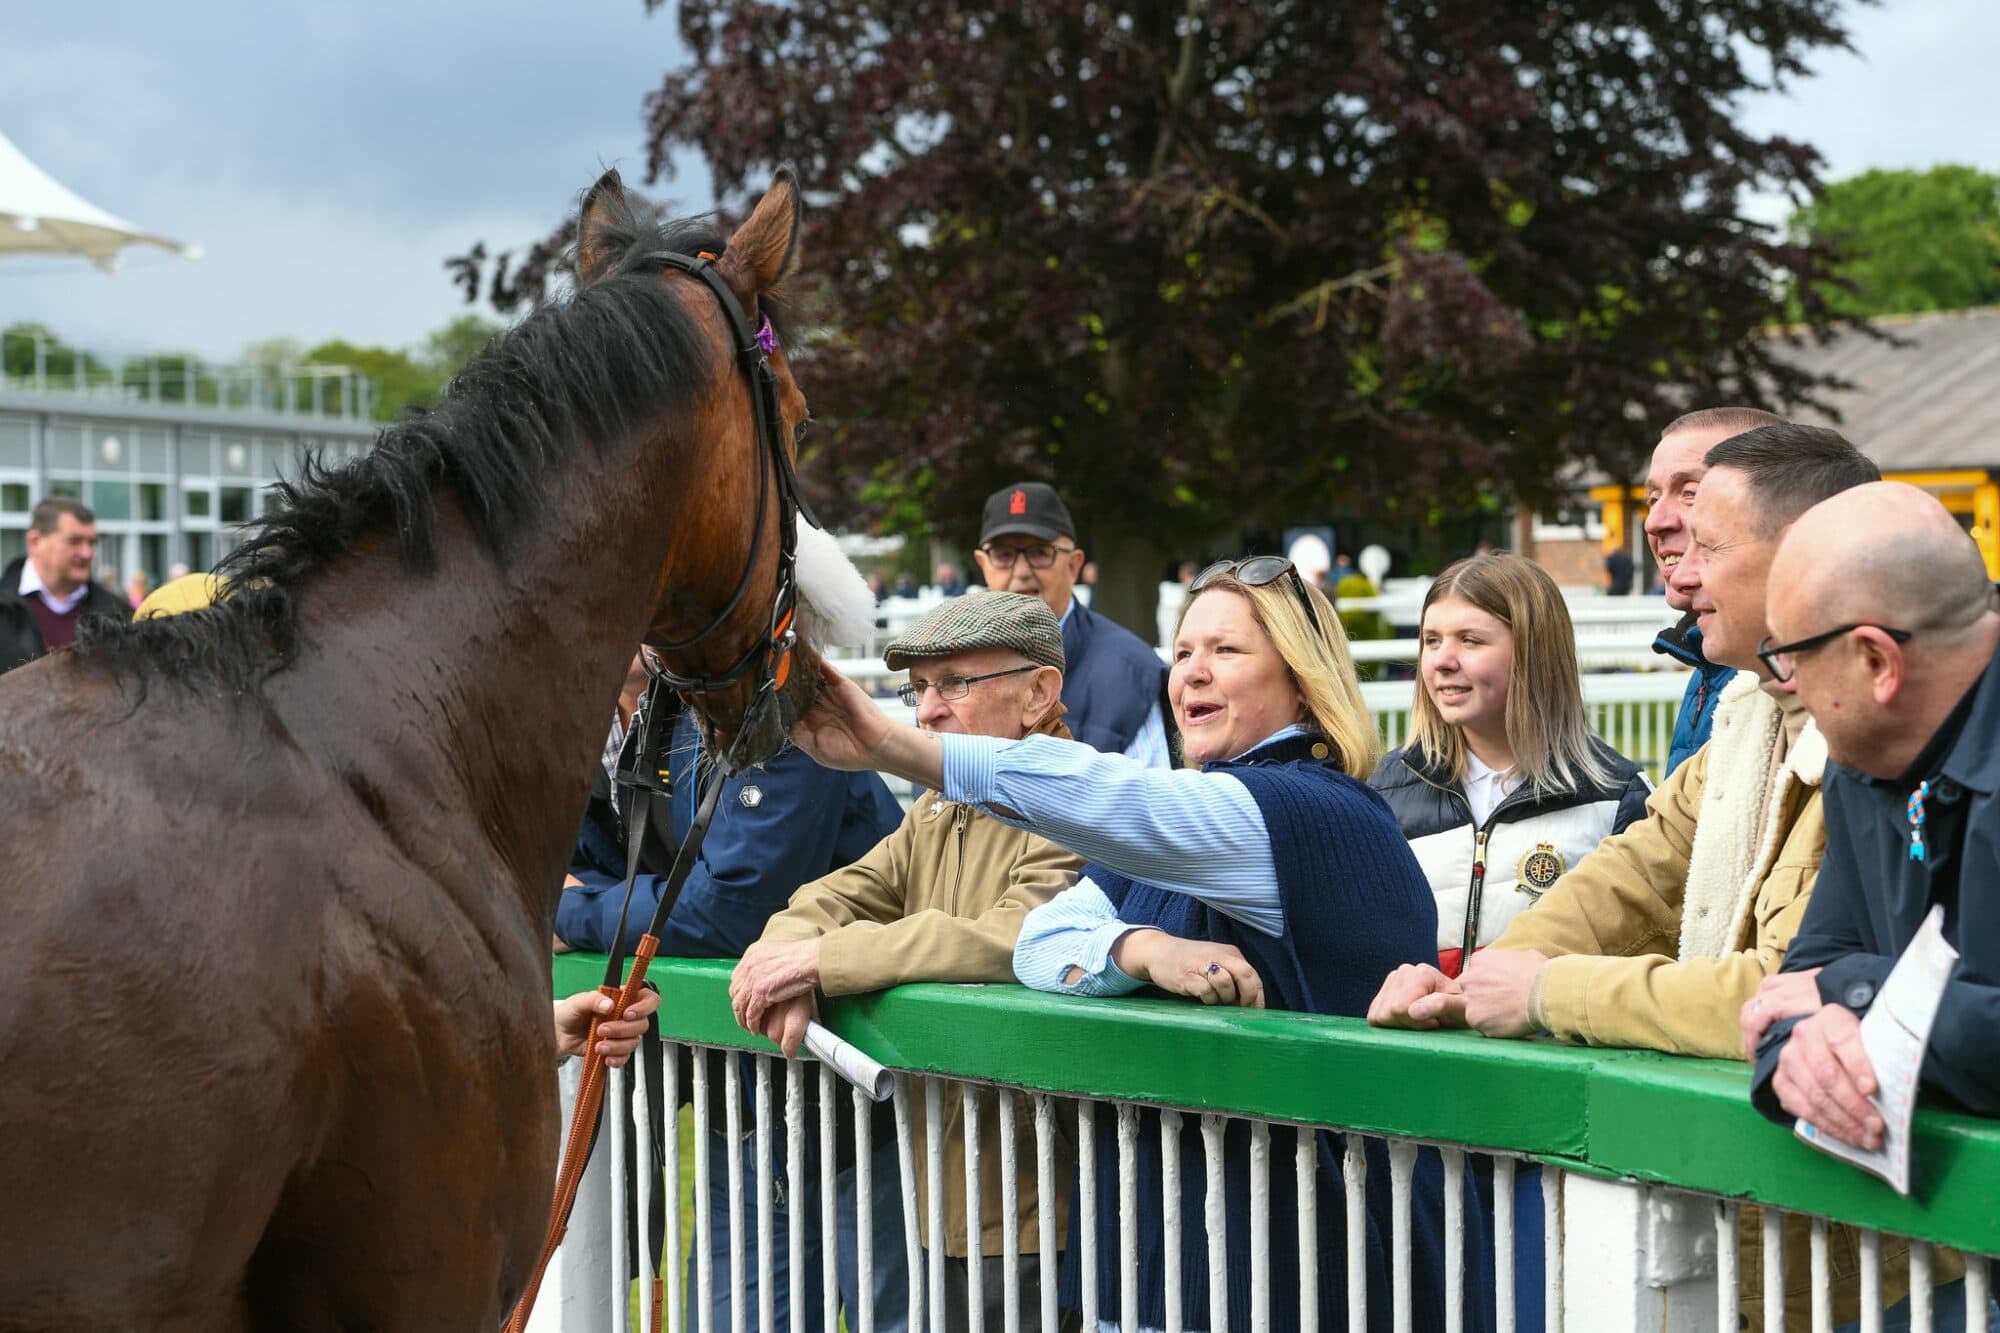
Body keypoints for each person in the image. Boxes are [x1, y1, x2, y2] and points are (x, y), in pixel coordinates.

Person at [782, 557, 1469, 1332]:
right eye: (1183, 652)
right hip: (1175, 1260)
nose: (1191, 673)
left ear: (1303, 681)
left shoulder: (1307, 808)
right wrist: (1141, 949)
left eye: (1226, 651)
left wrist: (890, 745)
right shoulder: (1201, 825)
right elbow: (1042, 938)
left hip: (1302, 1270)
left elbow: (1119, 797)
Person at [1367, 425, 1900, 1331]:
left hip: (1862, 1249)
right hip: (1755, 1218)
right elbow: (1636, 873)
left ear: (1799, 557)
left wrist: (1544, 991)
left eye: (1707, 541)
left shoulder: (1865, 738)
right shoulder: (1746, 717)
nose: (1676, 562)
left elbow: (1777, 990)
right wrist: (1474, 985)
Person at [730, 592, 1084, 1333]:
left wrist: (821, 963)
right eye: (918, 689)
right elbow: (837, 893)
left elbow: (1015, 937)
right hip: (945, 1197)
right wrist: (781, 955)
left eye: (955, 683)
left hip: (1040, 1208)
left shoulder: (1076, 794)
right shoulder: (936, 804)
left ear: (1039, 693)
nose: (927, 712)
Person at [558, 652, 908, 1333]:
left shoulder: (763, 684)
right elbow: (559, 867)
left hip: (881, 1110)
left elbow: (733, 909)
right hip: (742, 1105)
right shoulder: (597, 718)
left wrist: (572, 914)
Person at [1369, 552, 1650, 1330]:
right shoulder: (1382, 791)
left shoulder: (1614, 796)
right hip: (1417, 1115)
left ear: (1534, 651)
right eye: (1431, 640)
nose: (1443, 660)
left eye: (1471, 639)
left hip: (1546, 1121)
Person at [1742, 483, 1995, 1331]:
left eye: (1789, 656)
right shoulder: (1865, 762)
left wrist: (1852, 991)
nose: (1784, 682)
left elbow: (1836, 979)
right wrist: (1795, 1057)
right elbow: (1795, 987)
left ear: (1877, 661)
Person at [971, 481, 1171, 765]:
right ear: (983, 564)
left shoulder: (1133, 673)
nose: (1022, 571)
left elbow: (1152, 792)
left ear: (1074, 565)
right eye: (1004, 555)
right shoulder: (949, 667)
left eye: (1040, 552)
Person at [1643, 406, 1786, 774]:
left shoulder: (1782, 678)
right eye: (1653, 498)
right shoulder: (1710, 658)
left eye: (1690, 493)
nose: (1654, 522)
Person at [0, 496, 132, 674]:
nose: (87, 553)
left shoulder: (118, 615)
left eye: (92, 542)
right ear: (35, 542)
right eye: (74, 541)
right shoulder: (5, 609)